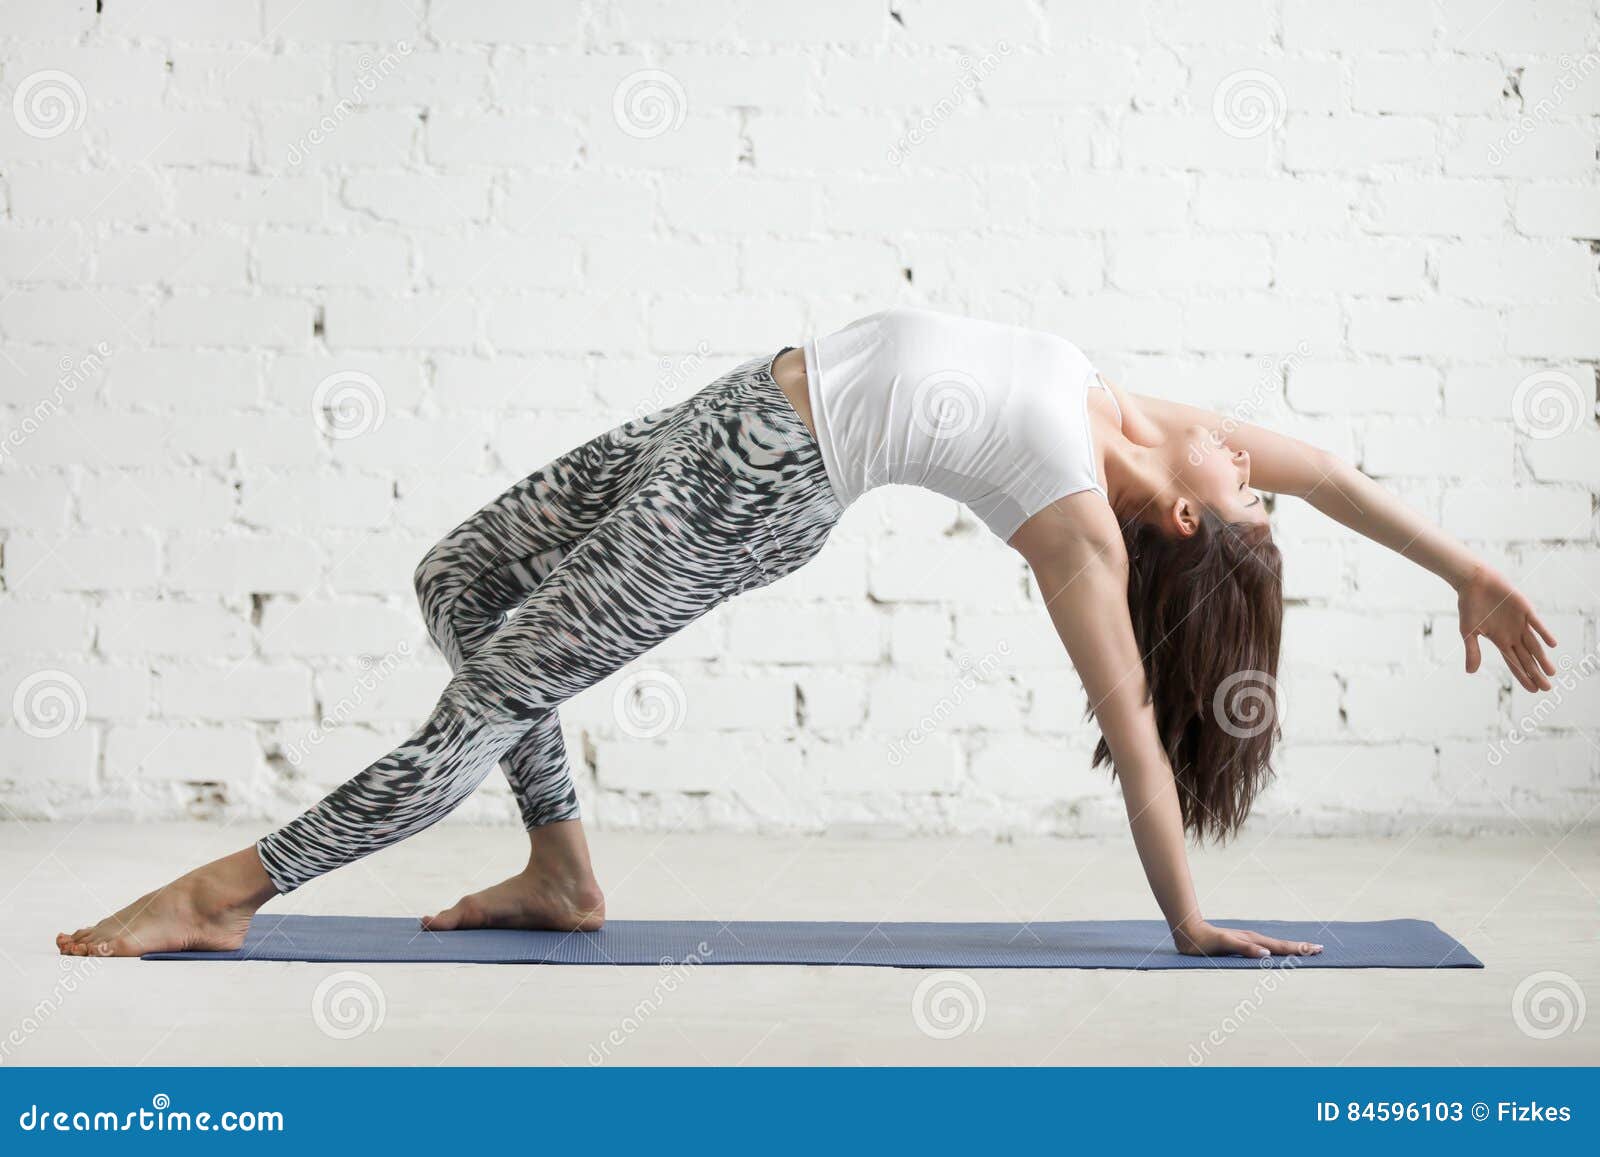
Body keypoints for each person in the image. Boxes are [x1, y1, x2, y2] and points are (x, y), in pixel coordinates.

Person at [58, 304, 1557, 960]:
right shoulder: (1149, 426)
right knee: (458, 580)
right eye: (1259, 491)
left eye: (1256, 502)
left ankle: (230, 886)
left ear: (1183, 522)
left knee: (486, 697)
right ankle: (565, 867)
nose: (1264, 474)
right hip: (723, 409)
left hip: (754, 486)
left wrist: (1184, 916)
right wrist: (1471, 572)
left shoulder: (1088, 521)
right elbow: (1341, 473)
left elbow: (1151, 753)